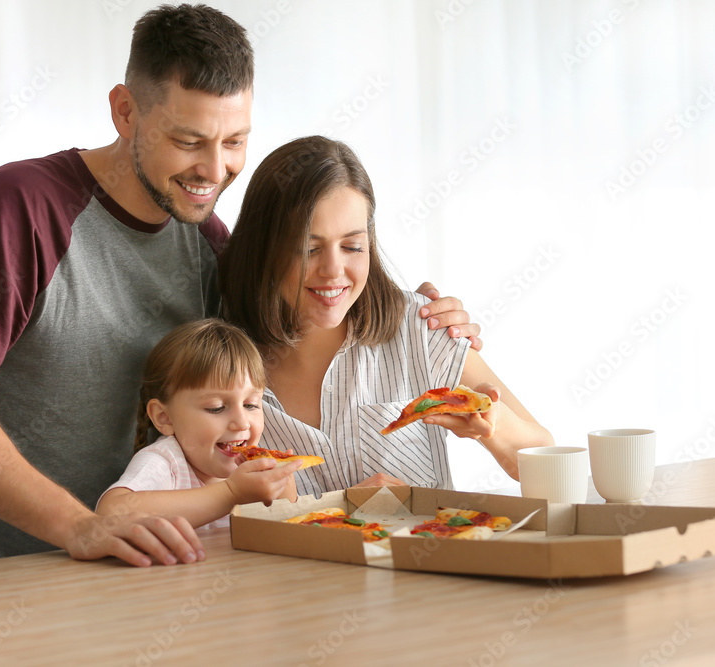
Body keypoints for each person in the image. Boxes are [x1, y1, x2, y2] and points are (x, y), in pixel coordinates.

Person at [0, 4, 477, 570]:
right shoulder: (22, 210)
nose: (215, 169)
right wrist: (80, 526)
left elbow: (299, 326)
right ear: (125, 112)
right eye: (189, 141)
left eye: (235, 142)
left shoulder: (209, 244)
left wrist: (421, 319)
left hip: (117, 583)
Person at [219, 136, 553, 497]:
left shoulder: (420, 327)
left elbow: (547, 463)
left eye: (352, 246)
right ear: (263, 249)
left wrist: (493, 424)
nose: (334, 270)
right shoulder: (221, 365)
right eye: (309, 248)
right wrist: (345, 507)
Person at [96, 319, 299, 529]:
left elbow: (283, 536)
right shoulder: (166, 461)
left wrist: (283, 490)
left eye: (250, 405)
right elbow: (108, 515)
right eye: (216, 408)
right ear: (164, 418)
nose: (241, 423)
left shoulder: (253, 471)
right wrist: (230, 493)